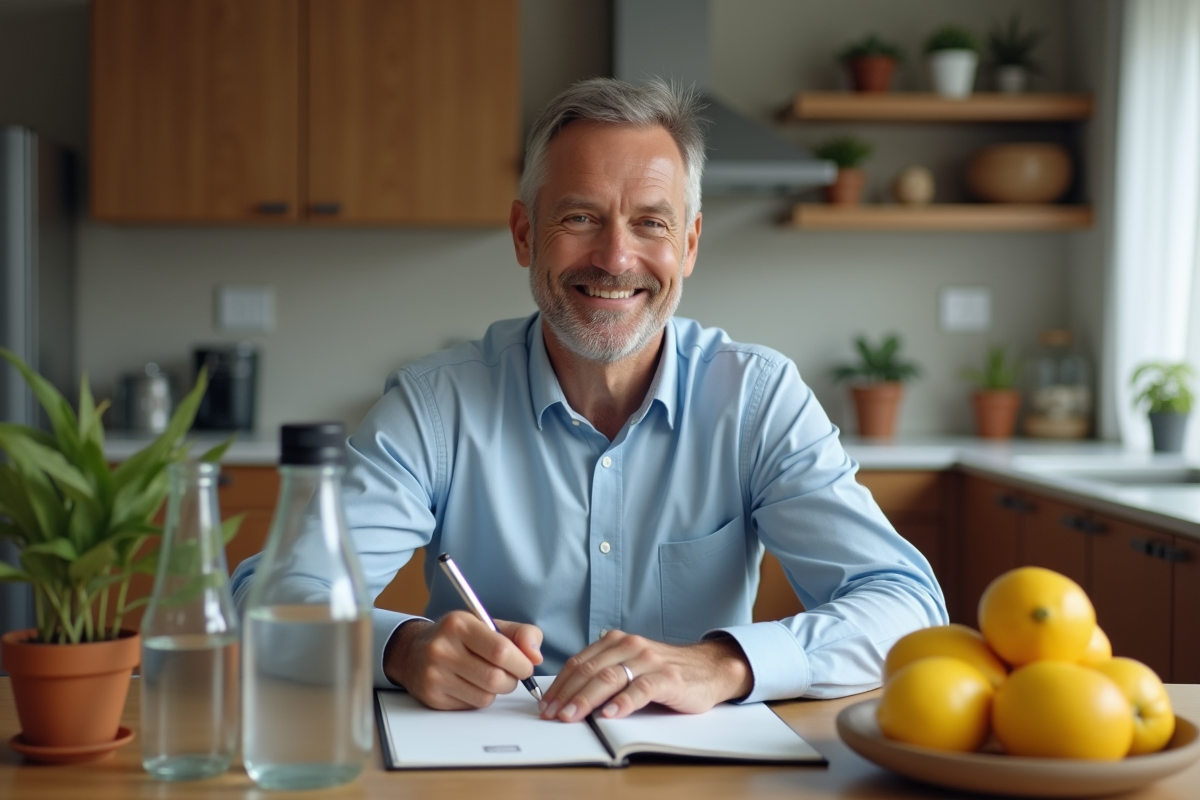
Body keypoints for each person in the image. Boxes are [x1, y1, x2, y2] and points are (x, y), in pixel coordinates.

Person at [231, 77, 947, 724]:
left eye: (651, 223)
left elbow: (908, 607)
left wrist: (724, 664)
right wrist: (402, 648)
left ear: (689, 244)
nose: (614, 257)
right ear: (525, 235)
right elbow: (268, 600)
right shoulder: (436, 406)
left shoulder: (758, 400)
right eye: (579, 218)